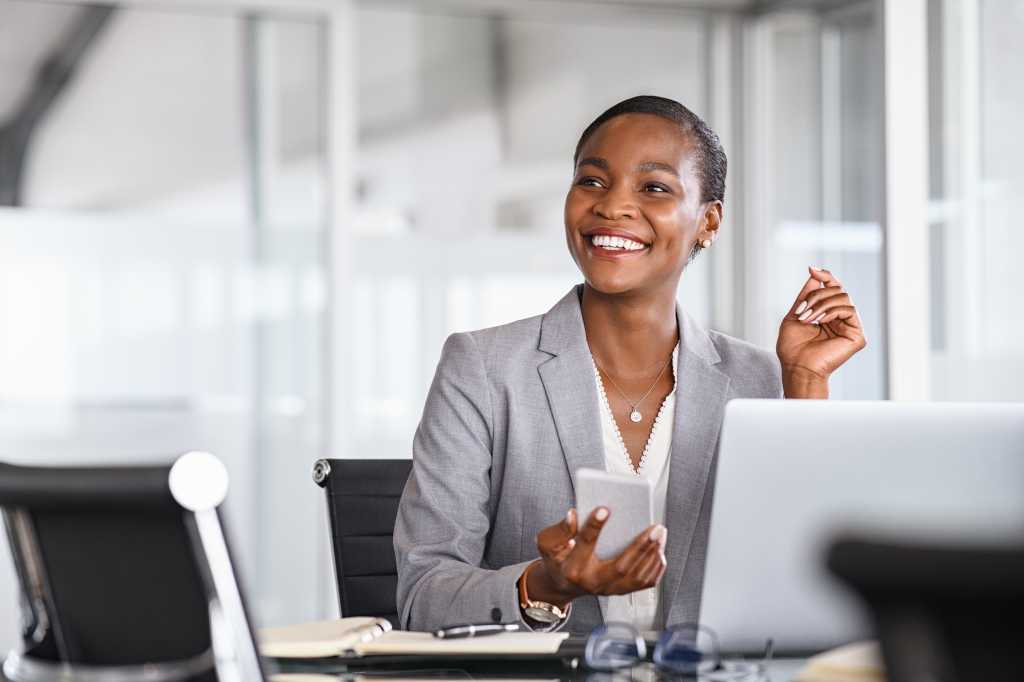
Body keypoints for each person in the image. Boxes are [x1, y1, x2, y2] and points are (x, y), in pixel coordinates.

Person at [394, 95, 866, 633]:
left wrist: (804, 383)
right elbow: (422, 596)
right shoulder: (482, 369)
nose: (612, 206)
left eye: (654, 188)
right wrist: (546, 585)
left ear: (708, 222)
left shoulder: (758, 380)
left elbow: (809, 583)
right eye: (592, 181)